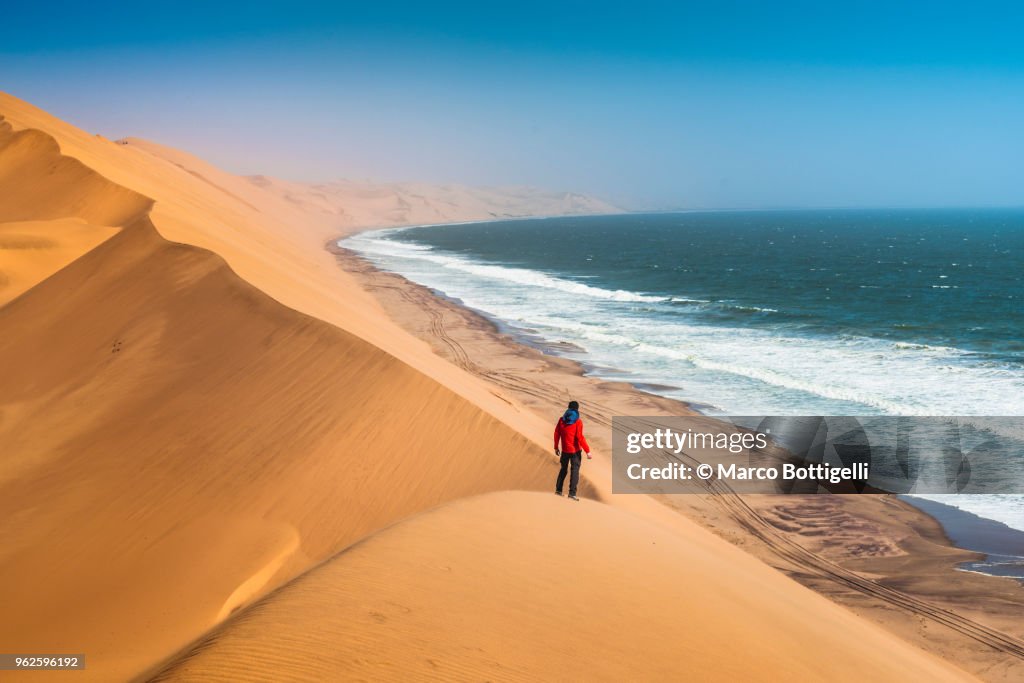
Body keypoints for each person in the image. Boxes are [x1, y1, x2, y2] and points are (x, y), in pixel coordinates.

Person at [554, 400, 591, 501]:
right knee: (575, 471)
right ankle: (572, 494)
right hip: (575, 452)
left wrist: (556, 447)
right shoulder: (578, 422)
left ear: (568, 408)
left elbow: (557, 433)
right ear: (577, 409)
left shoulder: (561, 420)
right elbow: (580, 437)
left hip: (565, 451)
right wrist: (588, 451)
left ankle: (558, 490)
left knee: (563, 470)